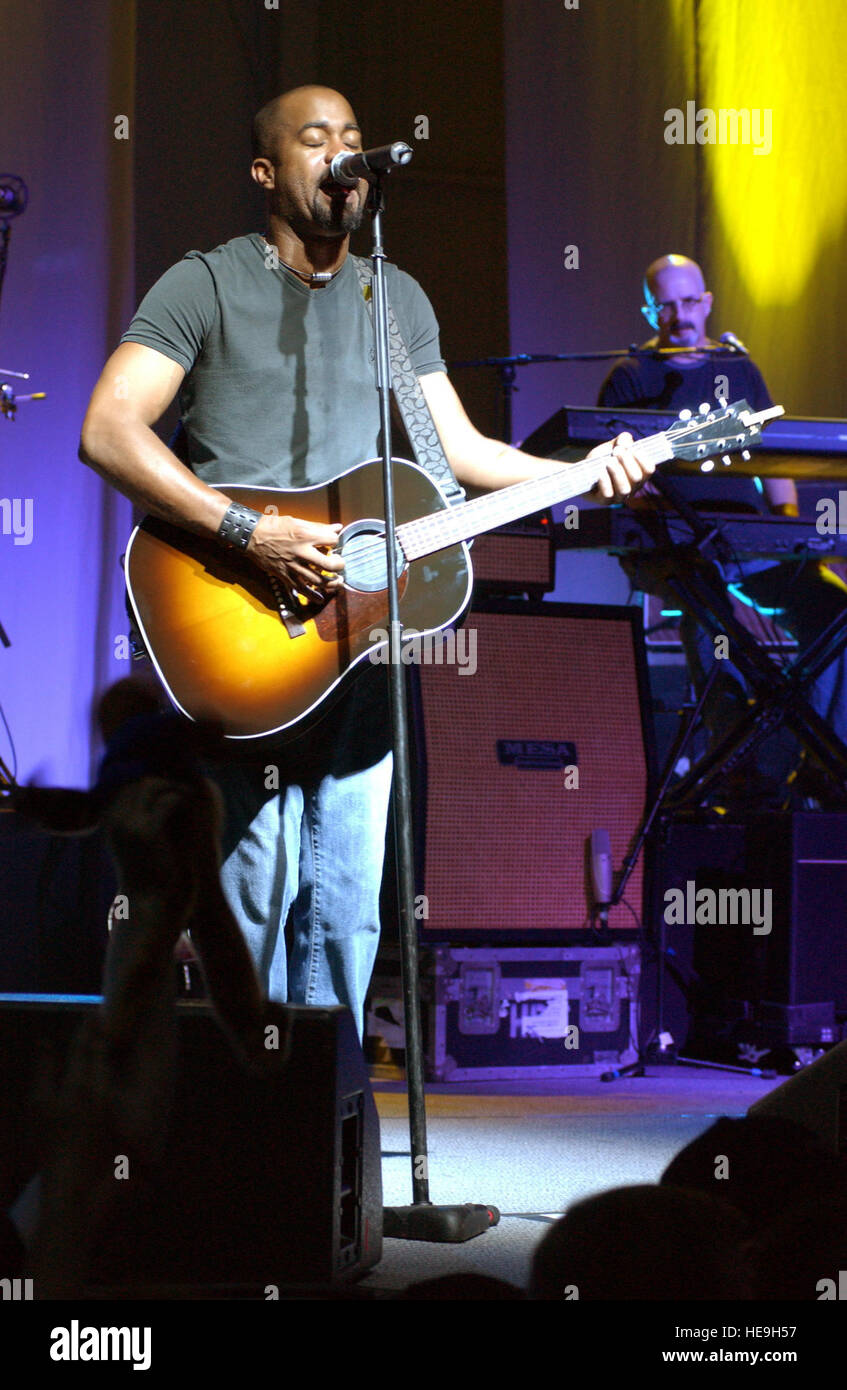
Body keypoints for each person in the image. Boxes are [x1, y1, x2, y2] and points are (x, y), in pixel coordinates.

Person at [79, 85, 655, 1035]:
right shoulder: (205, 283)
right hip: (238, 625)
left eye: (353, 138)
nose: (343, 153)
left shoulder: (392, 297)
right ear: (266, 172)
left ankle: (320, 1140)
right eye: (316, 140)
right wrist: (245, 532)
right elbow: (108, 429)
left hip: (356, 645)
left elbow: (455, 453)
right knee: (253, 894)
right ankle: (239, 1131)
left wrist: (577, 473)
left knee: (348, 915)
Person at [598, 253, 847, 799]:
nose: (682, 316)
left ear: (707, 302)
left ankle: (825, 760)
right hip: (675, 543)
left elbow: (775, 463)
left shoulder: (739, 368)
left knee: (834, 609)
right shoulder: (629, 377)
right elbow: (618, 483)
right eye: (667, 305)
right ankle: (742, 772)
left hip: (749, 538)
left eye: (691, 302)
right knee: (710, 620)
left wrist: (792, 536)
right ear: (648, 310)